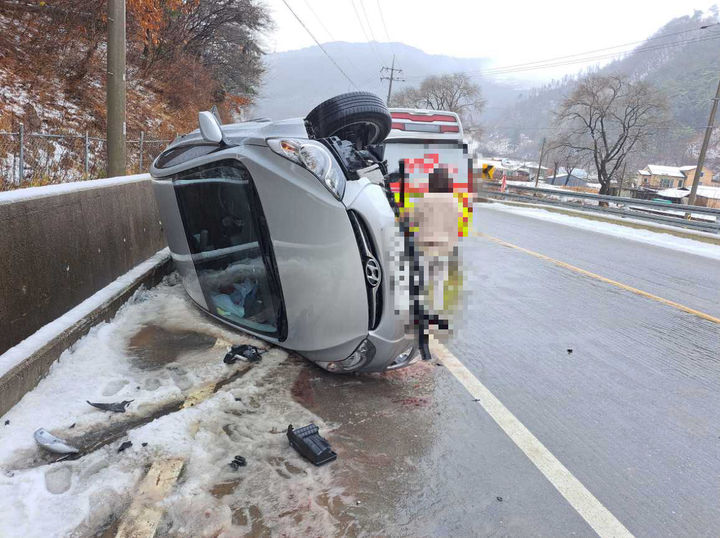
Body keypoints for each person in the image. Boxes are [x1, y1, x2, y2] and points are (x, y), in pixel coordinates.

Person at [410, 166, 462, 313]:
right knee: (439, 281)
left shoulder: (424, 199)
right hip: (444, 246)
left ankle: (421, 311)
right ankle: (437, 311)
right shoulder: (454, 202)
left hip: (426, 245)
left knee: (423, 279)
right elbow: (455, 226)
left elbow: (413, 221)